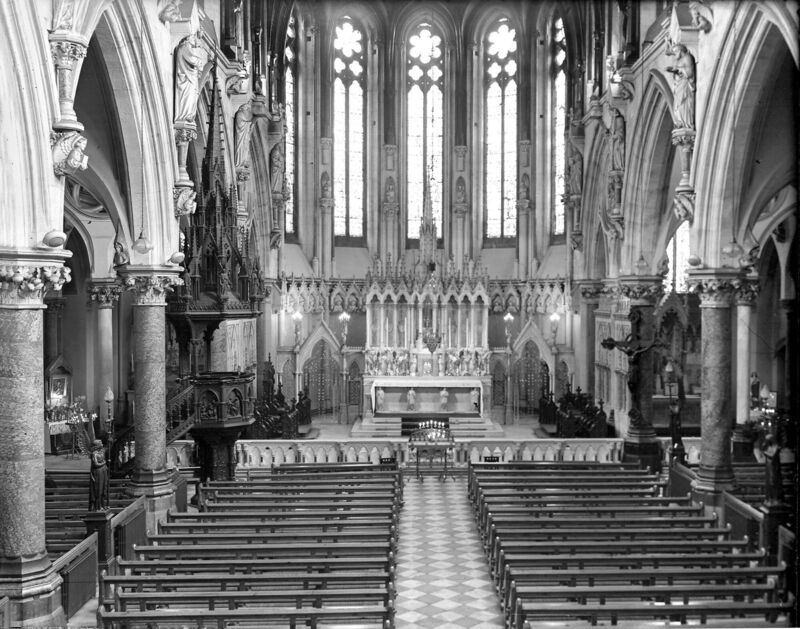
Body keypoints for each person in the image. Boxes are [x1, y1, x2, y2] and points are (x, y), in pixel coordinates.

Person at [666, 43, 696, 130]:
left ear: (680, 51)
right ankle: (680, 122)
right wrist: (674, 70)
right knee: (677, 105)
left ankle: (685, 123)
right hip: (678, 85)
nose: (675, 54)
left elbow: (690, 72)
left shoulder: (687, 58)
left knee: (683, 103)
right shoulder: (678, 61)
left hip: (684, 84)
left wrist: (678, 69)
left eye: (675, 52)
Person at [88, 440, 109, 511]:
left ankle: (103, 505)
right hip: (98, 472)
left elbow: (107, 448)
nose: (102, 444)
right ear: (97, 446)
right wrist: (104, 463)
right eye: (101, 443)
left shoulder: (102, 452)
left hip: (103, 471)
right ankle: (97, 506)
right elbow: (96, 464)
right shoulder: (94, 454)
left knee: (104, 488)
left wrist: (109, 441)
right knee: (98, 489)